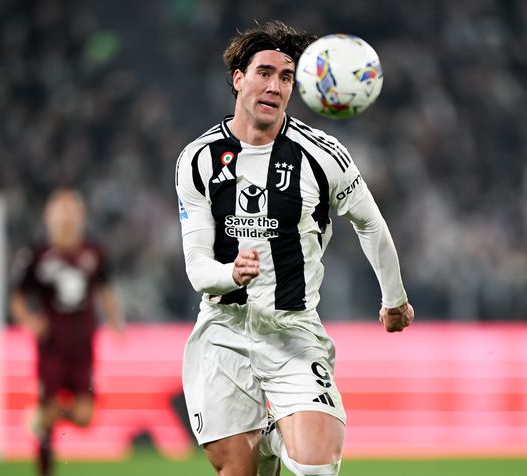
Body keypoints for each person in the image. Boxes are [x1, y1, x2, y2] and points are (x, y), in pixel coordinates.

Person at [175, 20, 414, 476]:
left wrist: (394, 300)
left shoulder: (322, 155)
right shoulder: (199, 158)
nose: (275, 85)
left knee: (317, 469)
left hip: (292, 331)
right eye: (264, 72)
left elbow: (370, 223)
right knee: (238, 471)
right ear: (238, 78)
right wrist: (232, 274)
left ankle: (274, 430)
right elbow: (197, 266)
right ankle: (265, 439)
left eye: (286, 77)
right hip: (222, 331)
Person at [10, 188, 124, 476]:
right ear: (48, 217)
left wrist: (114, 321)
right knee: (48, 415)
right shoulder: (35, 256)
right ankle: (44, 466)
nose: (66, 216)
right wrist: (31, 322)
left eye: (71, 209)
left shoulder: (94, 253)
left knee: (85, 417)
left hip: (83, 344)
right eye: (60, 209)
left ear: (81, 216)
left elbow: (105, 289)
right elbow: (18, 298)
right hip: (52, 345)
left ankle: (45, 417)